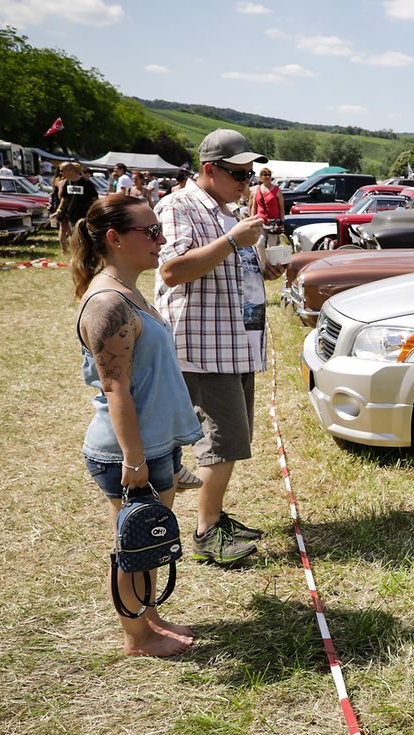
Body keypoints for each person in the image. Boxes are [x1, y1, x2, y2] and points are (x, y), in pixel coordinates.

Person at [73, 194, 202, 657]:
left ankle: (151, 620)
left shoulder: (128, 292)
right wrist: (134, 460)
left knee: (150, 542)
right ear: (114, 238)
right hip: (129, 451)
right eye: (150, 231)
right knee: (133, 549)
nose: (160, 239)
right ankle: (138, 638)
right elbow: (116, 390)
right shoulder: (108, 304)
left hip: (152, 445)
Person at [155, 128, 283, 564]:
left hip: (235, 344)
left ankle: (214, 519)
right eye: (238, 174)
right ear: (210, 169)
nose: (247, 183)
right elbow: (172, 271)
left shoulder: (229, 211)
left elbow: (227, 265)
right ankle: (206, 532)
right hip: (204, 347)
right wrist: (232, 242)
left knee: (229, 440)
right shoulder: (179, 206)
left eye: (249, 175)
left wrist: (259, 267)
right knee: (220, 442)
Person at [60, 162, 99, 254]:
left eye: (62, 171)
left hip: (84, 215)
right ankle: (76, 254)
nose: (60, 173)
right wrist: (59, 210)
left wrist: (95, 212)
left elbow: (95, 199)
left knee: (84, 236)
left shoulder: (86, 183)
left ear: (69, 170)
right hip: (71, 214)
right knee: (73, 235)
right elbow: (64, 198)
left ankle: (86, 254)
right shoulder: (67, 182)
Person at [248, 167, 285, 238]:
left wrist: (282, 221)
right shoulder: (257, 190)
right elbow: (254, 207)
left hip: (273, 222)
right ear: (261, 177)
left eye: (269, 175)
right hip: (260, 221)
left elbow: (281, 207)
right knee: (260, 242)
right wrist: (252, 219)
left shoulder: (277, 190)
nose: (267, 177)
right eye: (265, 175)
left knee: (272, 243)